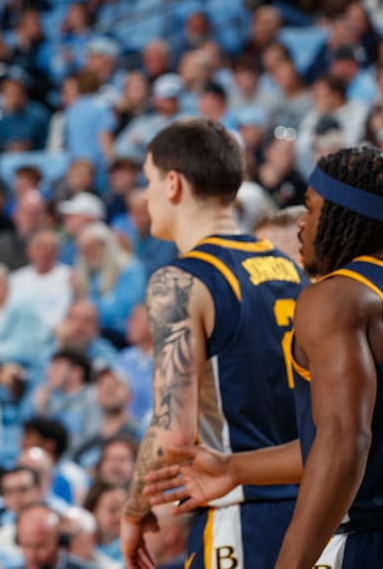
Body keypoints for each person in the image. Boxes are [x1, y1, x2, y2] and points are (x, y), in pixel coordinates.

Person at [144, 146, 383, 568]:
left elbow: (344, 444)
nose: (303, 223)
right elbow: (346, 436)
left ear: (348, 218)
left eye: (312, 208)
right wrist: (235, 469)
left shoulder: (336, 298)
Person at [120, 119, 302, 569]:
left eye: (149, 180)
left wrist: (134, 509)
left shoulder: (180, 280)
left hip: (242, 512)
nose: (145, 196)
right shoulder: (286, 266)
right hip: (313, 506)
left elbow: (174, 431)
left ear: (174, 183)